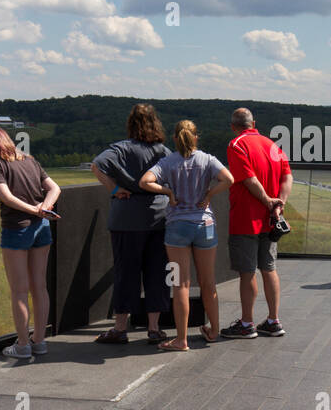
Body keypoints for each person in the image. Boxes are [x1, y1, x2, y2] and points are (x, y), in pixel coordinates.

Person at [139, 120, 233, 351]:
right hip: (205, 225)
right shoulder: (208, 159)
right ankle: (214, 330)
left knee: (180, 284)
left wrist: (168, 191)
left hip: (177, 228)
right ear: (196, 137)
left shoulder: (168, 162)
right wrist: (210, 194)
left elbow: (145, 182)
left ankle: (181, 339)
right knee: (208, 283)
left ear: (175, 138)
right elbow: (229, 179)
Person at [91, 103, 171, 345]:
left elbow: (97, 165)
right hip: (158, 218)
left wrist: (115, 189)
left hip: (126, 218)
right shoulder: (163, 151)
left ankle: (120, 327)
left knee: (126, 273)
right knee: (157, 273)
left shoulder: (121, 149)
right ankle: (154, 328)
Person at [0, 125, 61, 360]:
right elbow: (55, 188)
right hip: (42, 227)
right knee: (40, 287)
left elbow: (6, 197)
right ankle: (40, 342)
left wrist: (34, 210)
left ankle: (23, 345)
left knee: (18, 290)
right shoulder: (30, 160)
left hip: (17, 229)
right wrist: (43, 208)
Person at [221, 107, 292, 338]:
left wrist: (267, 201)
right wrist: (279, 204)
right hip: (271, 219)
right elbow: (287, 175)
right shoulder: (272, 145)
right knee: (269, 268)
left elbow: (248, 179)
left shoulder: (236, 145)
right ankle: (273, 320)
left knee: (247, 271)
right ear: (254, 123)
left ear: (233, 126)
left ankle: (246, 324)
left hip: (246, 218)